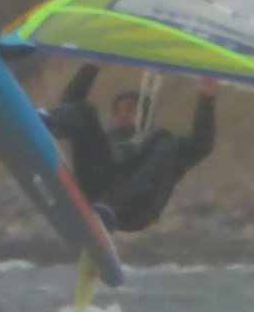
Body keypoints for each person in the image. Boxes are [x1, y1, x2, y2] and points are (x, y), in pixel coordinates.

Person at [41, 63, 218, 234]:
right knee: (84, 112)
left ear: (146, 117)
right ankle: (45, 122)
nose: (122, 115)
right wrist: (93, 65)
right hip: (98, 193)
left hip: (135, 211)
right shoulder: (106, 143)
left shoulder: (163, 148)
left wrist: (206, 96)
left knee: (165, 139)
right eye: (117, 111)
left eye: (131, 110)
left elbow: (202, 143)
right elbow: (72, 104)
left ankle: (111, 209)